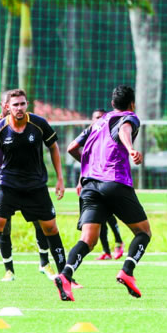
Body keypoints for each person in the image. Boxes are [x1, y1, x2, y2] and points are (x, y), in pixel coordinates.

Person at [54, 85, 151, 301]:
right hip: (114, 181)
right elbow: (125, 130)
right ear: (132, 104)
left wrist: (90, 165)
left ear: (111, 104)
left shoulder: (97, 122)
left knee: (88, 239)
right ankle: (127, 271)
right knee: (143, 232)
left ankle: (66, 275)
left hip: (89, 185)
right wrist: (130, 149)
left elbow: (71, 147)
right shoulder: (129, 117)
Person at [0, 89, 66, 289]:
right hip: (8, 185)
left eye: (22, 104)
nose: (19, 108)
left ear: (27, 105)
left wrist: (60, 178)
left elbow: (53, 146)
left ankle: (65, 276)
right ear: (7, 107)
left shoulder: (39, 124)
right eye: (15, 104)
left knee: (50, 227)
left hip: (36, 186)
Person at [67, 108, 124, 261]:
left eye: (101, 117)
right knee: (98, 220)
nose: (98, 119)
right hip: (92, 181)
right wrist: (81, 181)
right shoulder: (90, 134)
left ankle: (119, 241)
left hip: (108, 180)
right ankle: (106, 250)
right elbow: (85, 159)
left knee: (109, 216)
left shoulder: (110, 133)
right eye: (95, 117)